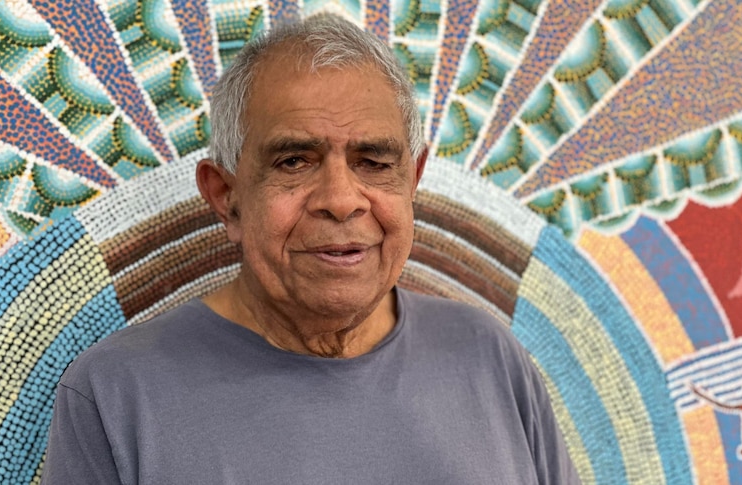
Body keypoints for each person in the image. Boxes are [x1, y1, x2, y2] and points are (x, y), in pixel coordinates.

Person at [41, 14, 579, 484]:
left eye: (374, 162)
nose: (342, 201)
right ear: (226, 197)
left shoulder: (489, 357)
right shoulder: (115, 396)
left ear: (412, 182)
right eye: (294, 161)